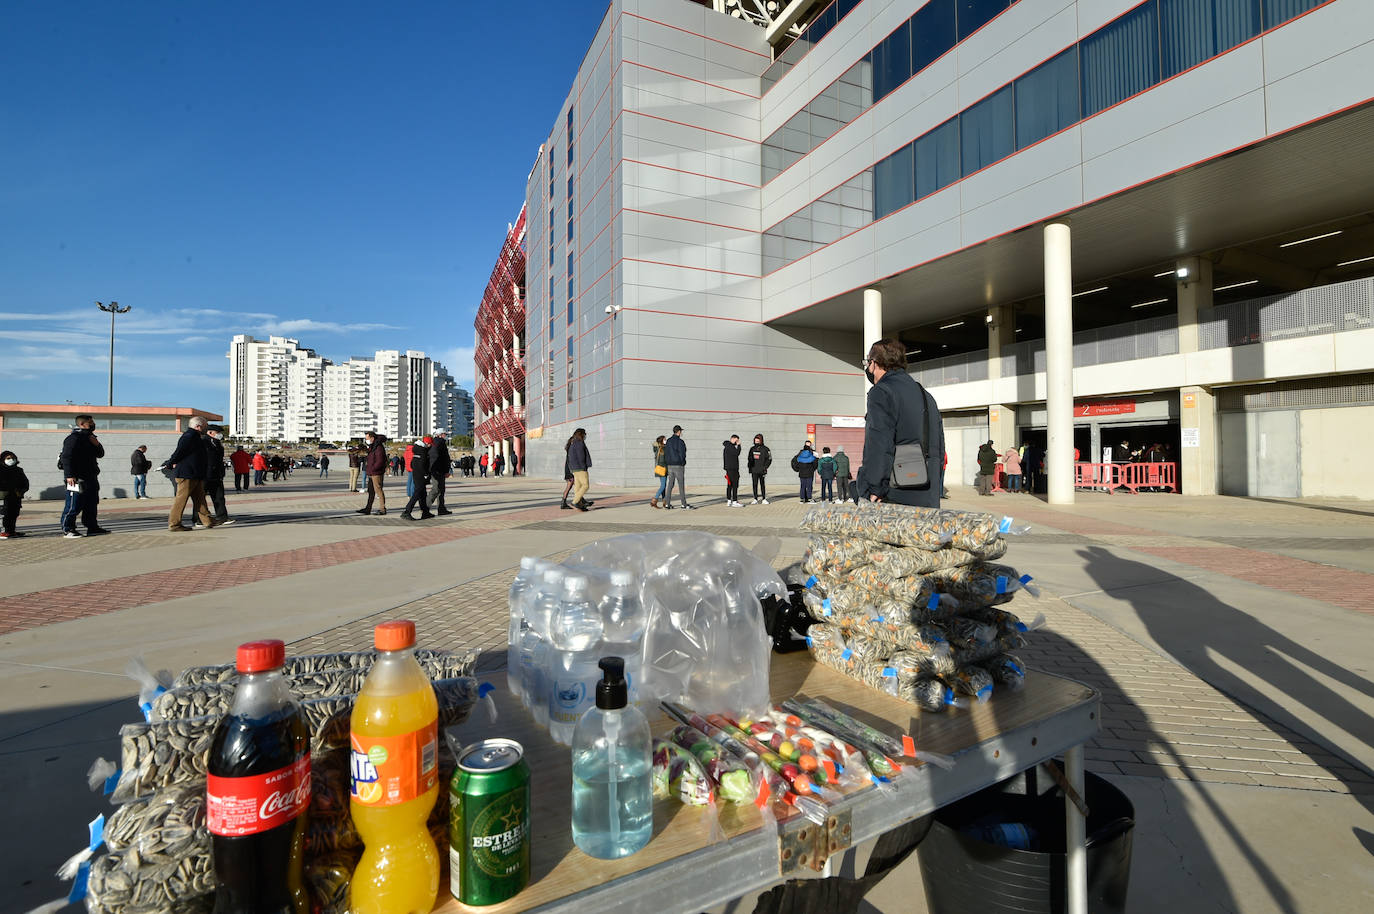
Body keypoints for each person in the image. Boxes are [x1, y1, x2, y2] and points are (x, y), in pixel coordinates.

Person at [855, 338, 945, 509]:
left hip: (894, 493)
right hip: (927, 491)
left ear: (874, 363)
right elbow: (939, 446)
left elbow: (879, 443)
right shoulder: (925, 395)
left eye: (868, 363)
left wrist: (875, 487)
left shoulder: (881, 392)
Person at [60, 414, 107, 537]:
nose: (93, 424)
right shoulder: (73, 438)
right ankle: (68, 528)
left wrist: (96, 444)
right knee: (73, 504)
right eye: (90, 422)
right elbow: (66, 457)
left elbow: (100, 454)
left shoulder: (90, 438)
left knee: (91, 503)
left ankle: (92, 527)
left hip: (90, 476)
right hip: (75, 478)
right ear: (82, 424)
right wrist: (69, 475)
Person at [166, 416, 217, 531]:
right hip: (187, 474)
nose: (206, 428)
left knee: (200, 499)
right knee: (181, 500)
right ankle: (174, 524)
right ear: (198, 426)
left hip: (195, 474)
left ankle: (207, 521)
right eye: (204, 426)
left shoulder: (195, 437)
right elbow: (179, 452)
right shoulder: (189, 437)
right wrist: (170, 463)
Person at [203, 426, 233, 524]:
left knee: (219, 497)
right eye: (218, 432)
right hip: (205, 474)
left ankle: (222, 517)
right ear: (210, 432)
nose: (220, 434)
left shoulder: (217, 443)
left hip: (216, 475)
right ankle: (198, 519)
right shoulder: (204, 442)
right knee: (200, 498)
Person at [401, 436, 433, 521]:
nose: (430, 446)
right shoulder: (422, 452)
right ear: (427, 443)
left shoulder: (416, 450)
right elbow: (422, 464)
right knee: (417, 493)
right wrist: (426, 474)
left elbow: (412, 464)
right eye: (430, 444)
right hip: (421, 475)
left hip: (416, 474)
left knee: (423, 494)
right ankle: (407, 511)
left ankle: (425, 512)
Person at [358, 431, 389, 515]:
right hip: (371, 472)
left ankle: (382, 509)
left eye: (367, 438)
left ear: (372, 438)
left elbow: (380, 460)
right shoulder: (373, 446)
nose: (366, 440)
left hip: (376, 472)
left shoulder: (378, 447)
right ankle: (368, 508)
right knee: (371, 491)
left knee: (378, 490)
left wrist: (373, 469)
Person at [0, 450, 30, 539]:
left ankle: (11, 531)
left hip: (16, 496)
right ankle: (4, 531)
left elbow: (25, 482)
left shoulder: (19, 470)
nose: (11, 460)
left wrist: (21, 491)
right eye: (8, 458)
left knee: (14, 514)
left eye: (13, 458)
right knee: (4, 514)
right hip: (3, 496)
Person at [662, 425, 693, 509]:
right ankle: (683, 504)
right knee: (681, 485)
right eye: (681, 431)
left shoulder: (668, 441)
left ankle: (667, 503)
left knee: (670, 485)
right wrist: (683, 462)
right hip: (678, 466)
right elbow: (683, 454)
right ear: (678, 432)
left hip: (670, 466)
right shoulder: (680, 442)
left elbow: (666, 453)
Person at [567, 428, 592, 511]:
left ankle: (579, 503)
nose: (585, 435)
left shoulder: (573, 441)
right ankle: (575, 502)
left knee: (578, 486)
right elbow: (581, 456)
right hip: (580, 467)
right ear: (581, 434)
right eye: (584, 434)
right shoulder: (579, 442)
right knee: (585, 485)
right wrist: (584, 466)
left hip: (574, 468)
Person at [427, 432, 453, 515]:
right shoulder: (438, 443)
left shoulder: (438, 442)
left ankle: (441, 509)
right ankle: (425, 507)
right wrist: (445, 470)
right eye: (444, 434)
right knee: (436, 488)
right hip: (438, 470)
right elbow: (439, 458)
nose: (446, 435)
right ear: (439, 435)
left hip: (439, 470)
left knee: (441, 489)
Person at [747, 434, 771, 505]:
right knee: (754, 484)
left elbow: (769, 459)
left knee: (762, 484)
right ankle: (755, 498)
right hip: (754, 470)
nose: (756, 441)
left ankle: (764, 499)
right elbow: (749, 458)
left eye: (758, 440)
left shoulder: (766, 449)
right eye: (755, 439)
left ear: (761, 440)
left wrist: (765, 467)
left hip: (762, 470)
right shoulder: (752, 449)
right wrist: (750, 467)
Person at [722, 435, 742, 507]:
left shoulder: (727, 446)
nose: (737, 442)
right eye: (736, 440)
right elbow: (737, 453)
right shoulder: (730, 446)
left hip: (729, 468)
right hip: (732, 469)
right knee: (734, 485)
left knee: (730, 485)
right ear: (732, 439)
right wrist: (739, 446)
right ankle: (734, 501)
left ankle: (729, 500)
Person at [649, 435, 668, 508]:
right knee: (663, 486)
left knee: (663, 485)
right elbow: (663, 460)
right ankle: (654, 499)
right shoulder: (663, 449)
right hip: (663, 469)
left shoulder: (657, 448)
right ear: (662, 440)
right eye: (664, 439)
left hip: (659, 469)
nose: (666, 440)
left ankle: (664, 501)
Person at [561, 439, 576, 509]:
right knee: (571, 487)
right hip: (570, 471)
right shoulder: (571, 450)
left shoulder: (569, 449)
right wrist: (571, 473)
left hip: (569, 471)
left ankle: (563, 503)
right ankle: (580, 501)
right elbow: (570, 462)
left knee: (574, 486)